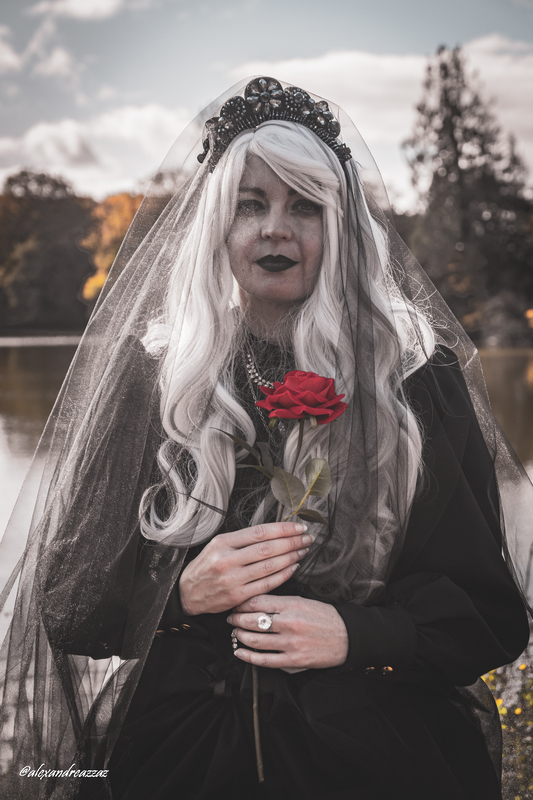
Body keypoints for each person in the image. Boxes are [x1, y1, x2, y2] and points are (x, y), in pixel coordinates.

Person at [0, 77, 531, 800]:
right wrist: (180, 594)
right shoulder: (152, 375)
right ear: (217, 223)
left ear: (338, 228)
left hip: (379, 753)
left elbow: (488, 615)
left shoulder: (412, 376)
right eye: (250, 204)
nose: (275, 228)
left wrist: (357, 636)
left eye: (304, 206)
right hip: (181, 751)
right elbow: (67, 603)